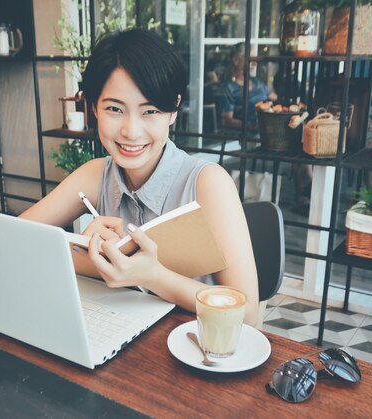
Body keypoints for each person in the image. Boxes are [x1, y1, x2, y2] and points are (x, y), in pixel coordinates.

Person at [20, 28, 259, 324]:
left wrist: (154, 276)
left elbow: (248, 315)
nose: (131, 131)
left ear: (173, 110)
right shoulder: (94, 174)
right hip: (116, 339)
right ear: (94, 107)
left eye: (150, 111)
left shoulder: (208, 183)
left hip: (193, 350)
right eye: (114, 109)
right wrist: (81, 250)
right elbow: (13, 239)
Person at [220, 42, 276, 130]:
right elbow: (228, 120)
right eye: (250, 59)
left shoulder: (257, 82)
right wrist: (254, 126)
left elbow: (275, 98)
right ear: (236, 60)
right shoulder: (229, 88)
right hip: (247, 135)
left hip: (268, 129)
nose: (254, 63)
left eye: (255, 59)